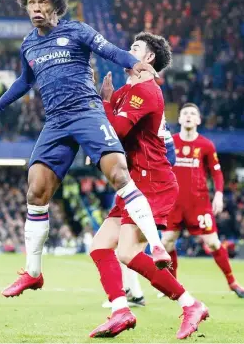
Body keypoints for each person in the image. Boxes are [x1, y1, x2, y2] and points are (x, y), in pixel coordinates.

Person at [0, 0, 170, 298]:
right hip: (55, 122)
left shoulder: (78, 30)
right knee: (35, 191)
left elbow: (110, 50)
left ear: (55, 3)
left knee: (118, 174)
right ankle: (33, 272)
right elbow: (24, 82)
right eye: (31, 3)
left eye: (42, 1)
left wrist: (136, 64)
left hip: (86, 112)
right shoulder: (28, 45)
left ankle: (156, 246)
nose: (36, 8)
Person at [89, 33, 208, 340]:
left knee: (128, 253)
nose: (128, 53)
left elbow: (116, 130)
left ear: (149, 58)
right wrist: (103, 97)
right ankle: (120, 311)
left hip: (152, 182)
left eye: (135, 49)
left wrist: (101, 100)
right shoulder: (129, 91)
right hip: (132, 182)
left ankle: (190, 303)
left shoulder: (146, 90)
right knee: (100, 246)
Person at [162, 104, 244, 298]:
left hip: (198, 203)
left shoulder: (206, 145)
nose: (189, 116)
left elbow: (217, 173)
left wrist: (218, 194)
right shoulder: (170, 142)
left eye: (193, 114)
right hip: (173, 202)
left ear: (199, 120)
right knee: (167, 242)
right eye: (185, 113)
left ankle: (232, 282)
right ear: (180, 118)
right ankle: (173, 285)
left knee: (213, 243)